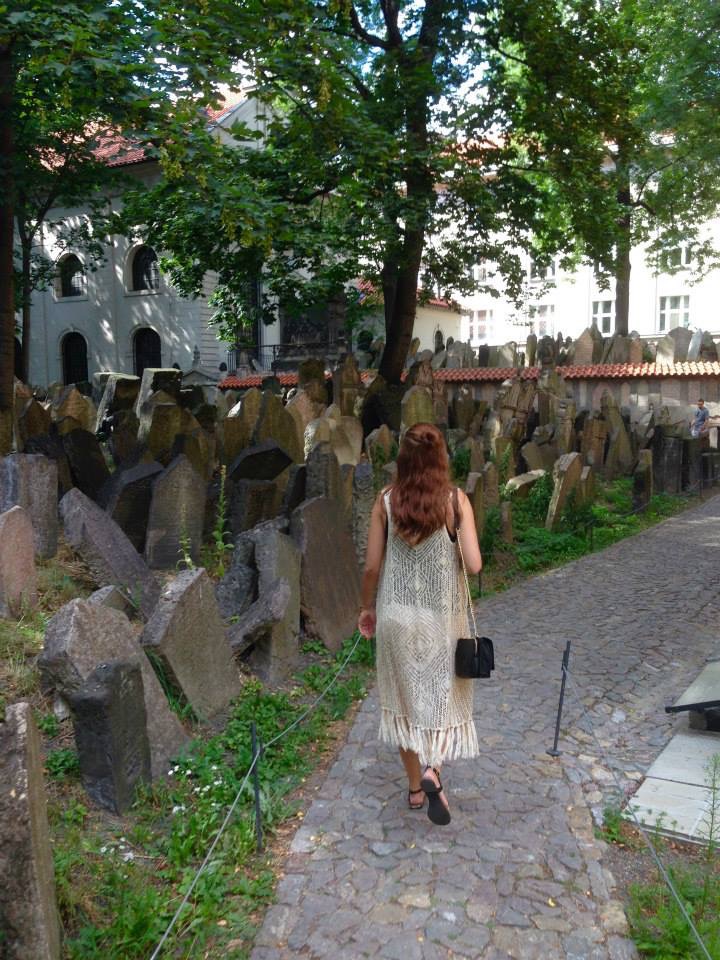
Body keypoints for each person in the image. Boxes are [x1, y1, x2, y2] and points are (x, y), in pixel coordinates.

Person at [358, 422, 482, 826]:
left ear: (403, 458)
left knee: (405, 703)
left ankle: (414, 789)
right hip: (440, 620)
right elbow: (475, 564)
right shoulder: (456, 501)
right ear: (440, 457)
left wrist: (366, 609)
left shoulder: (385, 501)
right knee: (442, 697)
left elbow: (372, 566)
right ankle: (435, 770)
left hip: (395, 617)